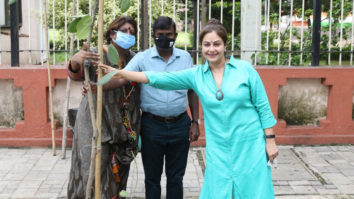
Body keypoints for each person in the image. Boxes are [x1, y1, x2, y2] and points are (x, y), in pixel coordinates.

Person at [100, 18, 279, 199]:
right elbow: (156, 78)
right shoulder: (197, 75)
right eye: (206, 44)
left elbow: (263, 106)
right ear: (201, 47)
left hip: (249, 143)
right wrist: (119, 72)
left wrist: (270, 140)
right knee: (218, 190)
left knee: (253, 190)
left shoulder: (245, 70)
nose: (212, 49)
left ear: (225, 45)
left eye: (217, 44)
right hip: (218, 147)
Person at [113, 16, 200, 199]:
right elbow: (123, 77)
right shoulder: (142, 58)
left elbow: (192, 91)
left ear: (175, 35)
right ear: (153, 35)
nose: (165, 38)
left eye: (168, 34)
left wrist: (195, 121)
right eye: (160, 35)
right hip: (152, 126)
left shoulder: (185, 58)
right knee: (152, 178)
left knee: (176, 177)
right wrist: (98, 83)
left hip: (180, 124)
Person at [67, 16, 140, 199]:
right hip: (95, 122)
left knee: (119, 173)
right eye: (124, 31)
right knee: (92, 170)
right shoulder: (97, 54)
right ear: (112, 33)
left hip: (123, 125)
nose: (129, 34)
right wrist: (76, 60)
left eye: (132, 31)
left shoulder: (136, 59)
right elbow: (75, 74)